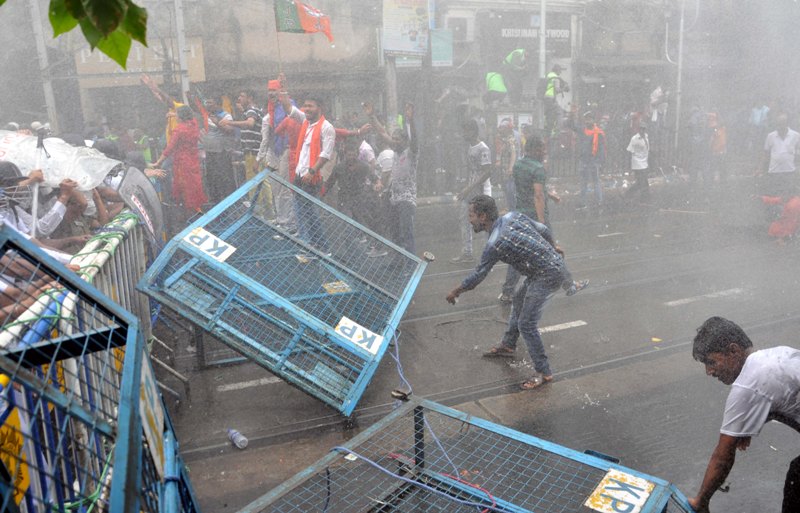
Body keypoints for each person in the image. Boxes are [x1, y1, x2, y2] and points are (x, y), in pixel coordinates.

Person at [446, 195, 586, 390]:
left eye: (471, 215)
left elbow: (478, 275)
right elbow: (543, 229)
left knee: (526, 323)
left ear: (483, 216)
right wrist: (553, 246)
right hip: (545, 269)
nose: (469, 220)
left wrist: (455, 291)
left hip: (547, 275)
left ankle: (543, 372)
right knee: (519, 301)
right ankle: (508, 345)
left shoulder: (495, 243)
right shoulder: (512, 216)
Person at [688, 316, 800, 513]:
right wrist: (747, 426)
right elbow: (782, 395)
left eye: (711, 362)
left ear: (733, 350)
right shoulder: (776, 355)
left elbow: (722, 457)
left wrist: (701, 501)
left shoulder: (748, 384)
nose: (709, 371)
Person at [280, 92, 336, 253]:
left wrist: (312, 171)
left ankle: (321, 247)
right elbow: (291, 110)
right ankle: (310, 244)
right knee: (301, 212)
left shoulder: (327, 127)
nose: (306, 109)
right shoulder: (306, 122)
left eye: (310, 106)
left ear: (320, 107)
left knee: (310, 213)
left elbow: (326, 154)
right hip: (299, 175)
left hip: (311, 177)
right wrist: (283, 98)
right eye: (305, 106)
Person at [367, 102, 417, 255]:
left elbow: (415, 140)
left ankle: (411, 263)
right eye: (393, 139)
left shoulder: (410, 153)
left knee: (406, 231)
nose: (394, 141)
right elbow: (382, 132)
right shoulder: (395, 152)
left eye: (397, 139)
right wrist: (371, 116)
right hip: (393, 197)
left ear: (405, 141)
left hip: (407, 198)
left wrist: (411, 121)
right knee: (394, 231)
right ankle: (397, 260)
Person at [151, 106, 208, 215]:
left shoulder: (179, 130)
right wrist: (173, 114)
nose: (175, 116)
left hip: (182, 161)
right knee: (195, 183)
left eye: (176, 114)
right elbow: (192, 117)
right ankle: (197, 207)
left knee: (185, 185)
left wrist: (158, 161)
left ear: (180, 116)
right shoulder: (194, 125)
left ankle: (189, 211)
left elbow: (169, 148)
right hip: (193, 158)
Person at [258, 78, 297, 233]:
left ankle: (289, 222)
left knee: (285, 188)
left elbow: (293, 120)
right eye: (269, 91)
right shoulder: (271, 109)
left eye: (274, 90)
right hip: (275, 151)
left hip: (287, 150)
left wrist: (284, 92)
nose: (271, 93)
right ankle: (281, 219)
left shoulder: (289, 105)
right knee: (276, 188)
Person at [451, 119, 492, 264]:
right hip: (471, 189)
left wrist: (469, 187)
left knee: (483, 221)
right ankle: (467, 252)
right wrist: (466, 186)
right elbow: (473, 171)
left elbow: (487, 172)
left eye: (465, 131)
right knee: (464, 218)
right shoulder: (470, 147)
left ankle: (490, 253)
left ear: (473, 131)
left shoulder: (483, 148)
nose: (463, 134)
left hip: (482, 190)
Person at [229, 90, 270, 217]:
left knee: (255, 183)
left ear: (250, 98)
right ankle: (267, 212)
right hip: (255, 153)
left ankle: (259, 213)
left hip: (254, 153)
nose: (239, 98)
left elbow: (250, 123)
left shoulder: (251, 111)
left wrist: (230, 123)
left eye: (242, 96)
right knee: (262, 182)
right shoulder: (253, 111)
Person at [202, 97, 236, 204]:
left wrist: (217, 122)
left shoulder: (226, 115)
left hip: (221, 152)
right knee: (211, 178)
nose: (207, 105)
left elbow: (230, 130)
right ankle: (214, 200)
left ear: (217, 104)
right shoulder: (207, 115)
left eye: (210, 103)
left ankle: (227, 202)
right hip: (210, 152)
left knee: (224, 177)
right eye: (206, 103)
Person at [759, 113, 800, 198]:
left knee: (789, 196)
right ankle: (776, 210)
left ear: (787, 123)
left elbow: (798, 151)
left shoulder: (796, 135)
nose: (780, 126)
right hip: (774, 171)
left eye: (782, 123)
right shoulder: (771, 136)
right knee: (775, 195)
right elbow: (766, 153)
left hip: (789, 171)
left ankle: (787, 211)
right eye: (778, 123)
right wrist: (760, 168)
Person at [575, 112, 606, 208]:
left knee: (595, 181)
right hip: (584, 160)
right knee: (584, 181)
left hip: (593, 160)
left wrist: (600, 162)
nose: (588, 121)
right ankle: (583, 202)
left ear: (594, 120)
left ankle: (599, 201)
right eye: (587, 119)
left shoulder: (599, 133)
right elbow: (571, 125)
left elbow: (601, 148)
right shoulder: (582, 130)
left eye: (590, 119)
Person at [626, 122, 650, 200]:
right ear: (639, 129)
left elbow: (647, 149)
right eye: (641, 129)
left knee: (644, 181)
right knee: (641, 181)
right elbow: (630, 151)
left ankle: (644, 196)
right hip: (637, 163)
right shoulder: (634, 138)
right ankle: (631, 194)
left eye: (644, 129)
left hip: (644, 162)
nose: (642, 130)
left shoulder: (646, 137)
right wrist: (629, 165)